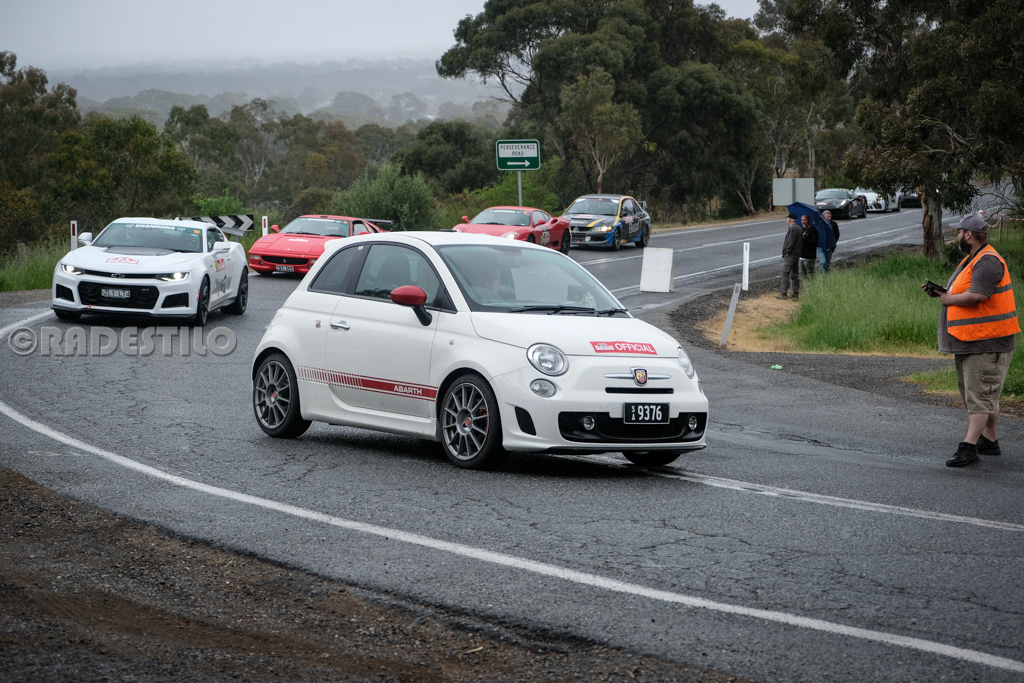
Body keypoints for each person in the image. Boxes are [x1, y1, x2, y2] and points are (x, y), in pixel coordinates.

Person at [923, 213, 1019, 467]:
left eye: (959, 232)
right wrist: (943, 293)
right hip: (972, 339)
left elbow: (978, 295)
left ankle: (969, 447)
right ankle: (989, 440)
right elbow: (964, 291)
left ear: (968, 234)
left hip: (987, 342)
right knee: (984, 394)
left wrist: (949, 299)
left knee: (979, 397)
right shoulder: (974, 259)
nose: (957, 236)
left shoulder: (988, 261)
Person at [778, 213, 802, 299]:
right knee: (795, 274)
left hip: (791, 254)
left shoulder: (792, 229)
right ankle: (795, 293)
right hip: (797, 253)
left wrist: (787, 252)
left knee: (785, 273)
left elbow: (791, 242)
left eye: (787, 219)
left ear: (789, 220)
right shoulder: (799, 228)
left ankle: (783, 293)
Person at [798, 214, 818, 278]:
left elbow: (814, 242)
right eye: (802, 220)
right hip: (802, 256)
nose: (803, 222)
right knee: (804, 275)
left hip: (809, 256)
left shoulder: (813, 230)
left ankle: (812, 283)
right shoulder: (802, 229)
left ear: (808, 220)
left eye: (805, 220)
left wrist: (805, 238)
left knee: (810, 274)